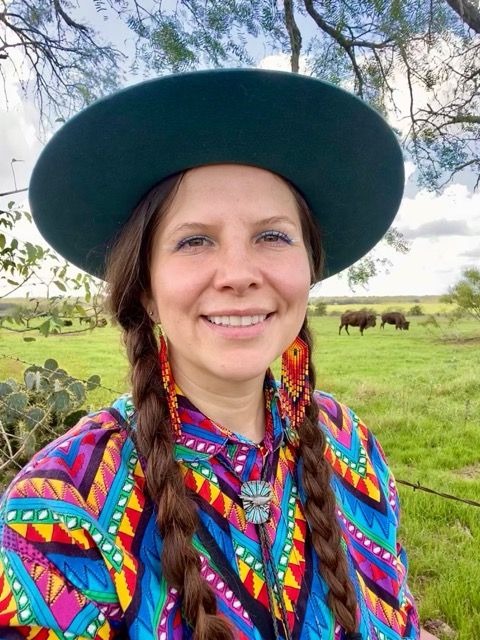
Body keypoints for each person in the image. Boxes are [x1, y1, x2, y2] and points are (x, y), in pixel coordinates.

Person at [0, 69, 422, 640]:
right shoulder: (61, 507)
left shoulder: (353, 446)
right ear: (146, 290)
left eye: (273, 236)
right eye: (194, 240)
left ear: (308, 268)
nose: (239, 275)